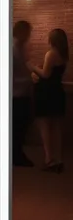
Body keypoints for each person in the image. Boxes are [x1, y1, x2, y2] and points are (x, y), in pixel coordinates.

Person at [29, 28, 69, 173]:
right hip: (58, 92)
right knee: (57, 128)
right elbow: (54, 74)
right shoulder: (64, 55)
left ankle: (49, 159)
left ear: (52, 39)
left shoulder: (51, 53)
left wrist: (33, 67)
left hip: (46, 93)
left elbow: (45, 75)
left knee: (45, 126)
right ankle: (58, 160)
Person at [12, 21, 34, 167]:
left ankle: (17, 155)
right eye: (27, 32)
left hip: (20, 93)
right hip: (16, 95)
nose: (29, 36)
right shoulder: (13, 48)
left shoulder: (19, 47)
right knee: (18, 127)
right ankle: (16, 156)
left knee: (20, 127)